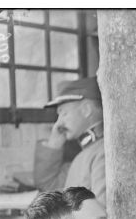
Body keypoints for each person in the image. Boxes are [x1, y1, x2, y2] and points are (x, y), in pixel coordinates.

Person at [34, 76, 106, 205]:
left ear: (86, 110)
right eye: (59, 115)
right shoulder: (86, 151)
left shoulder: (103, 152)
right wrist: (54, 143)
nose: (59, 123)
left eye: (64, 113)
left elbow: (101, 210)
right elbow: (49, 187)